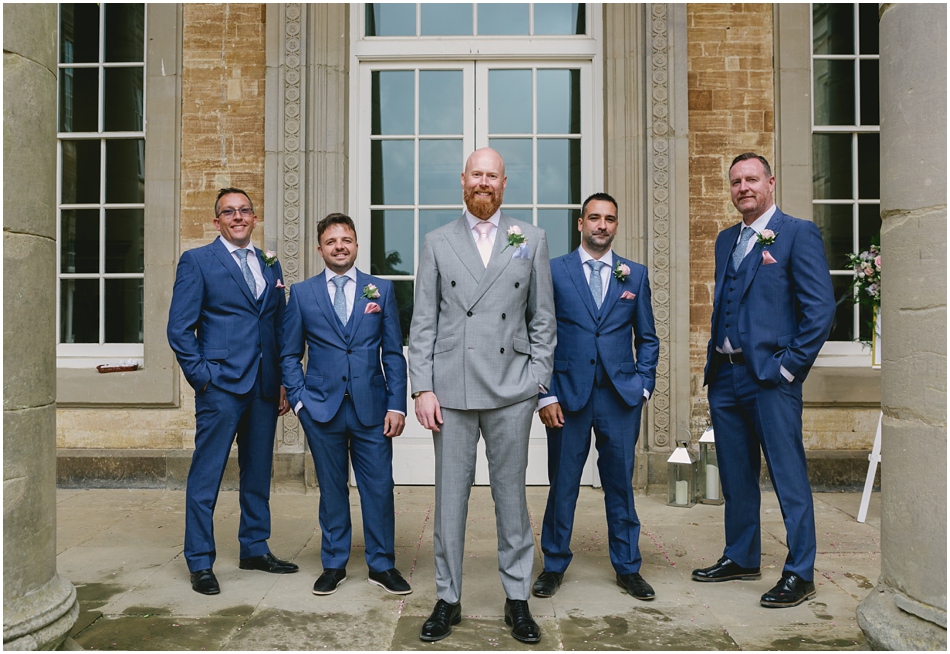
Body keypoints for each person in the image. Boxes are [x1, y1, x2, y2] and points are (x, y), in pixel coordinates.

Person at [408, 147, 556, 643]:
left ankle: (517, 599)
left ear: (504, 183)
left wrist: (537, 379)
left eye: (492, 176)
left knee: (511, 498)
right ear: (463, 180)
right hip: (450, 389)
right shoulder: (436, 240)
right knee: (450, 502)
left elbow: (543, 319)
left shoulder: (530, 238)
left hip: (511, 388)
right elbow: (423, 321)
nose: (484, 183)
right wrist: (422, 387)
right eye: (477, 174)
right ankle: (447, 598)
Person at [692, 153, 835, 608]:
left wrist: (788, 368)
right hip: (726, 377)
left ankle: (800, 571)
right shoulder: (724, 240)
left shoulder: (797, 233)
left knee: (788, 475)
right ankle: (741, 556)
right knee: (735, 475)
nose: (743, 188)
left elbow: (820, 312)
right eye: (735, 182)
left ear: (770, 183)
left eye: (751, 179)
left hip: (772, 379)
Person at [167, 187, 298, 596]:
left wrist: (279, 381)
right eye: (229, 212)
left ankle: (254, 548)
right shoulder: (198, 262)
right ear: (217, 221)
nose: (238, 217)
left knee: (258, 472)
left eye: (244, 211)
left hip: (262, 386)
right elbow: (179, 328)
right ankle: (200, 561)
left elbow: (276, 326)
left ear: (254, 218)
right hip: (220, 386)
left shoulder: (269, 264)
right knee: (207, 475)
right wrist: (203, 377)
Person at [533, 192, 660, 602]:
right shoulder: (554, 272)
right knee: (563, 484)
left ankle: (628, 567)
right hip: (568, 397)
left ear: (616, 225)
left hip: (621, 398)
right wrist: (544, 394)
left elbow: (649, 337)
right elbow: (540, 338)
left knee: (620, 484)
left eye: (609, 219)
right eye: (594, 218)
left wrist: (643, 384)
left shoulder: (634, 275)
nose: (601, 225)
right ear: (580, 224)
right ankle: (553, 564)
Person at [280, 213, 410, 597]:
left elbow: (393, 353)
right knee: (332, 489)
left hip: (372, 408)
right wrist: (301, 401)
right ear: (320, 248)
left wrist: (397, 405)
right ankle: (334, 563)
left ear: (356, 245)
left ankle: (382, 564)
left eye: (347, 240)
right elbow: (289, 353)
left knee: (379, 488)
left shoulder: (380, 290)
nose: (340, 246)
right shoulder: (302, 294)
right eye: (332, 241)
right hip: (321, 409)